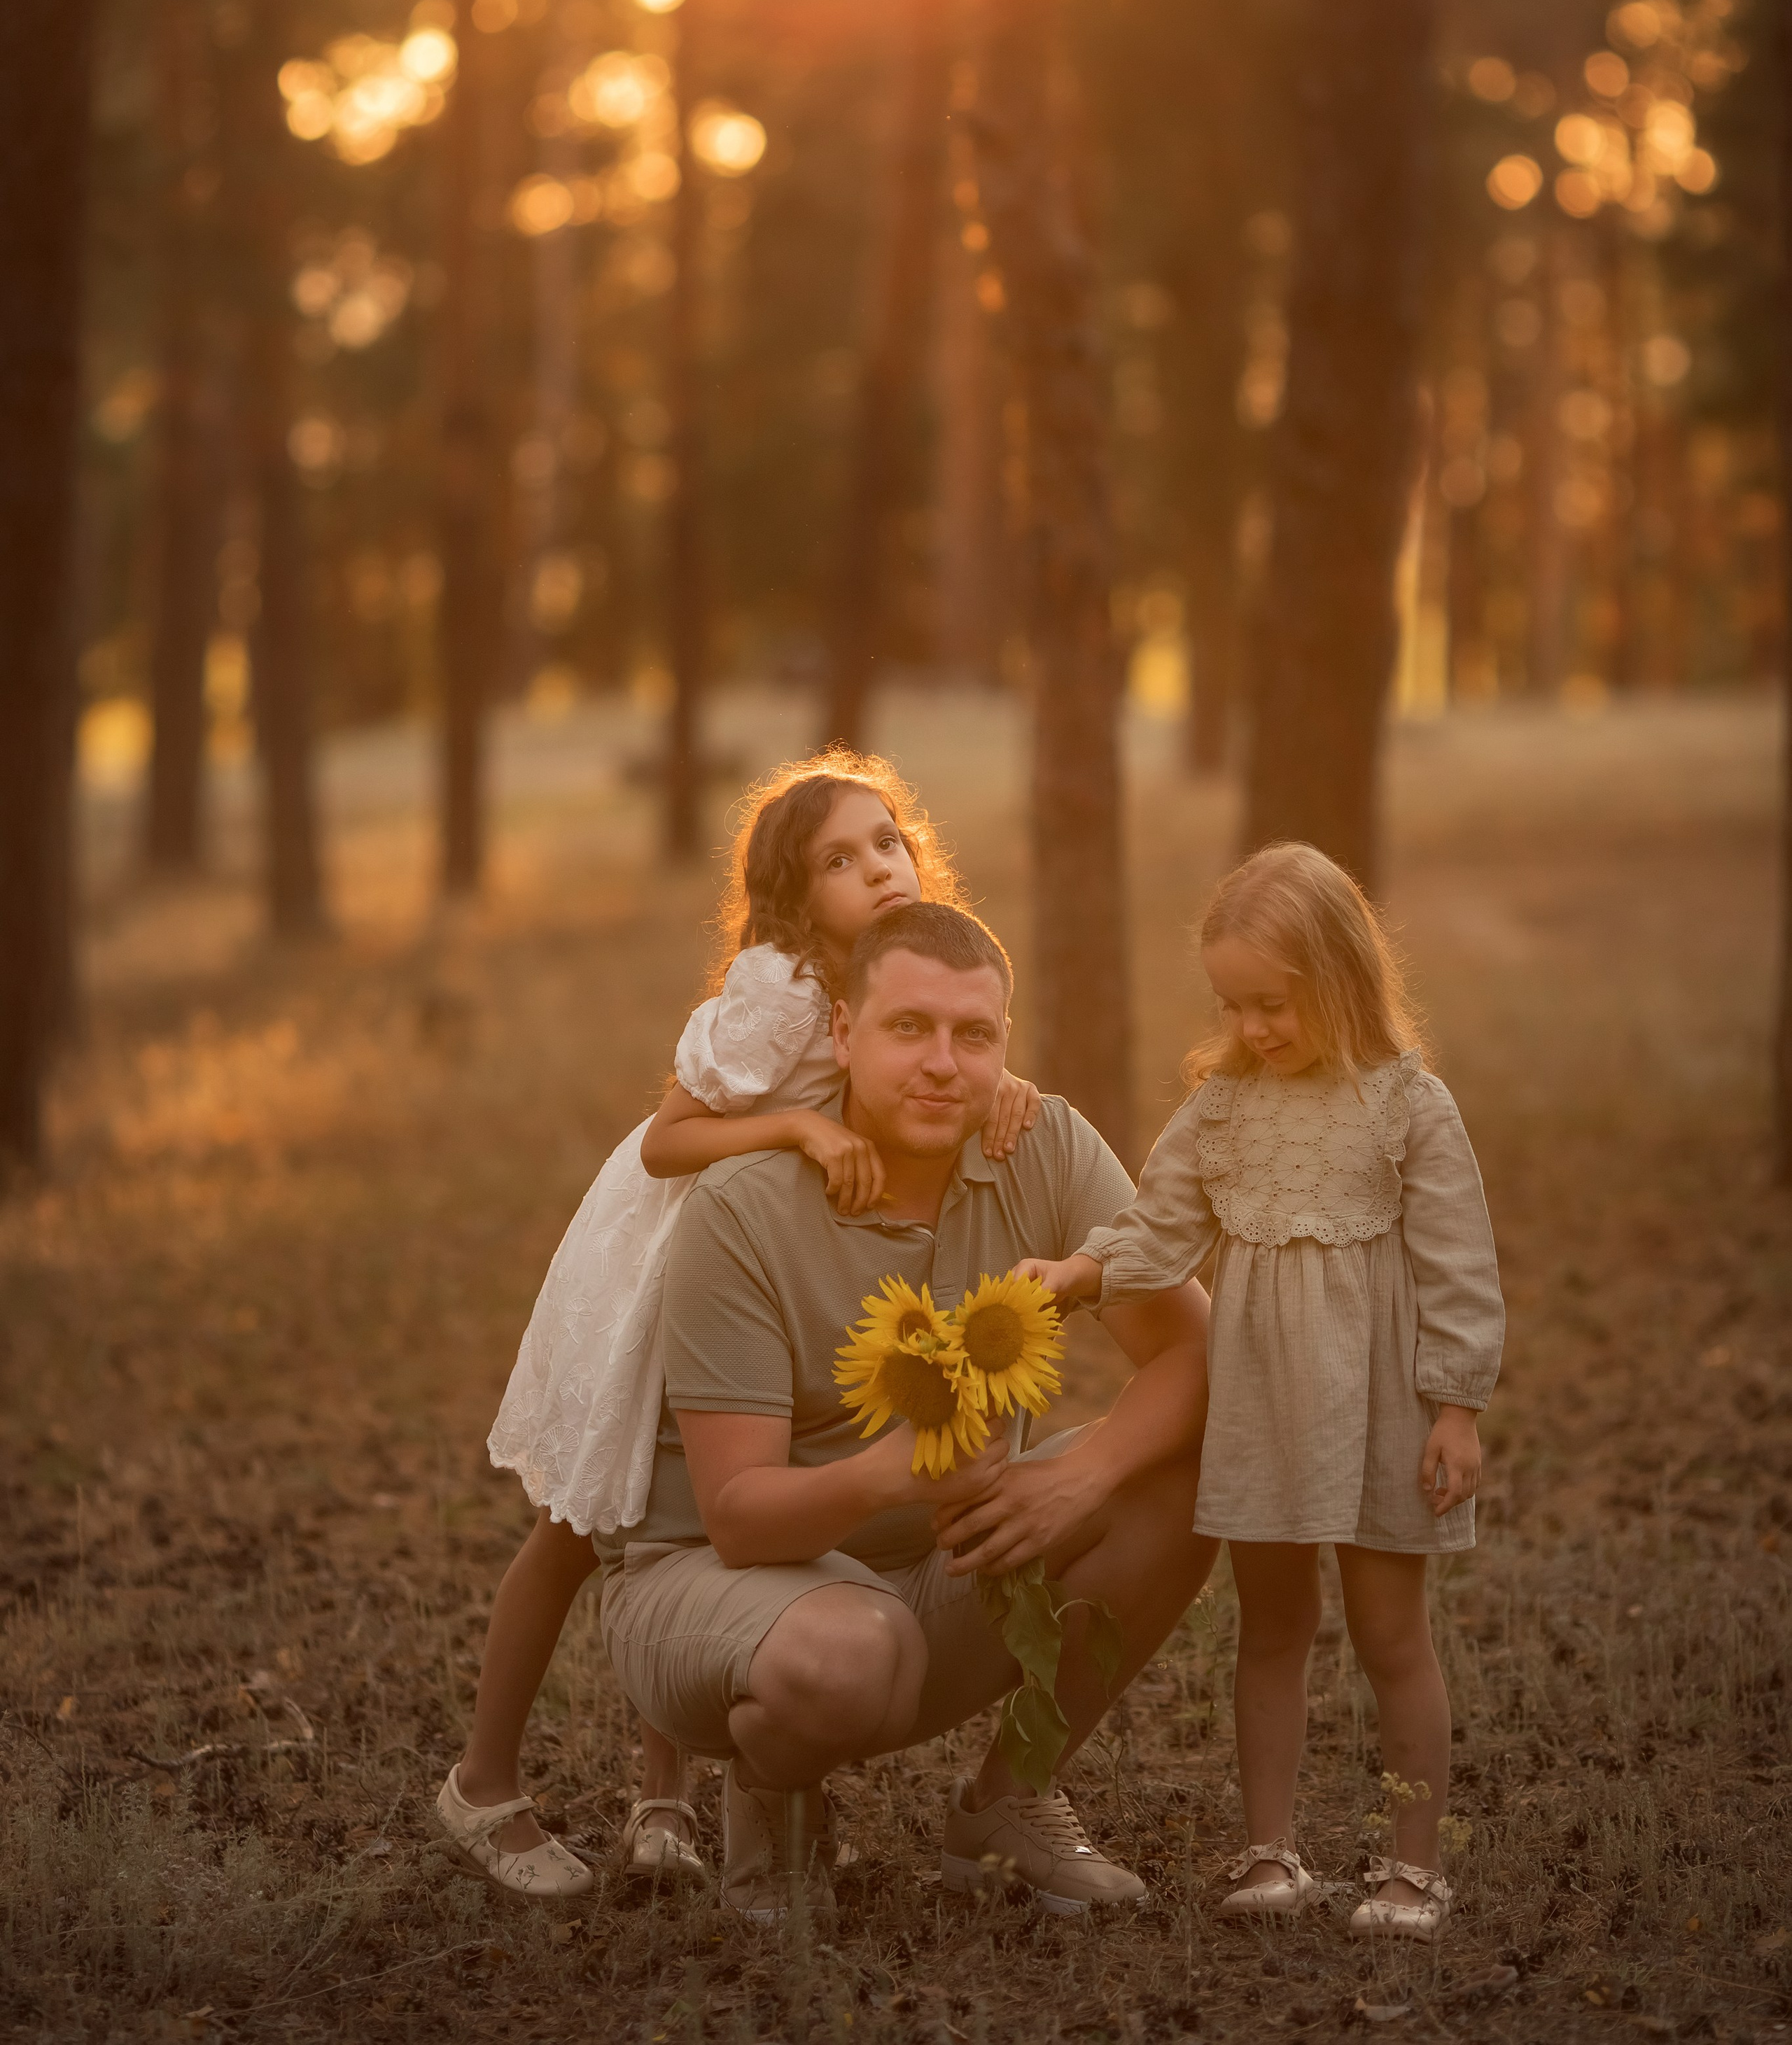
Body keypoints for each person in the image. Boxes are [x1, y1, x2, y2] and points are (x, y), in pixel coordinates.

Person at [436, 753, 1041, 1897]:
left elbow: (935, 1054)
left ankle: (663, 1805)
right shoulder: (780, 986)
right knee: (596, 1519)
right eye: (838, 859)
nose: (875, 867)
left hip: (756, 1266)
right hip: (672, 1261)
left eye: (887, 842)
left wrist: (1005, 1089)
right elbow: (669, 1140)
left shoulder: (896, 969)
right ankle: (483, 1783)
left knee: (700, 1531)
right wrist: (798, 1135)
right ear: (792, 893)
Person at [596, 897, 1216, 1923]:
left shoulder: (1043, 1146)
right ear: (844, 1033)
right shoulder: (745, 1206)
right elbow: (738, 1516)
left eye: (974, 1035)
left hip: (941, 1568)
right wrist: (895, 1474)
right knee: (853, 1653)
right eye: (909, 1028)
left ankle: (1007, 1802)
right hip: (715, 1592)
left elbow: (1194, 1353)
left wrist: (1081, 1476)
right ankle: (773, 1799)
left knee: (1182, 1476)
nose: (943, 1063)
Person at [1023, 841, 1504, 1944]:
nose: (1250, 1030)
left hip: (1380, 1411)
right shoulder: (1222, 1109)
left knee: (1392, 1635)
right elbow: (1158, 1229)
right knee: (1273, 1626)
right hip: (1267, 1413)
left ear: (1340, 978)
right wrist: (1082, 1273)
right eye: (1231, 1006)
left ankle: (1412, 1866)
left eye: (1272, 1006)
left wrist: (1458, 1406)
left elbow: (1459, 1265)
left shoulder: (1405, 1106)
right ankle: (1270, 1851)